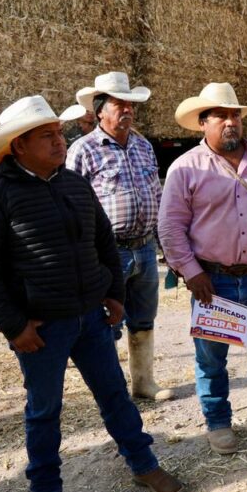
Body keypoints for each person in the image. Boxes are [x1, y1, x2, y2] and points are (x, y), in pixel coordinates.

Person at [0, 96, 184, 492]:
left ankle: (143, 464)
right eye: (47, 136)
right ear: (18, 146)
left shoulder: (72, 184)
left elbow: (102, 240)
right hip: (41, 329)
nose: (59, 141)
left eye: (59, 133)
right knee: (44, 411)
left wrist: (114, 294)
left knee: (115, 395)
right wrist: (14, 325)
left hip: (91, 318)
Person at [159, 82, 247, 455]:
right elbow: (170, 227)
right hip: (212, 282)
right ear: (202, 123)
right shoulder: (185, 168)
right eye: (220, 115)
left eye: (235, 114)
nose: (229, 122)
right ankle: (218, 422)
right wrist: (191, 272)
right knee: (211, 358)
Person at [67, 72, 173, 402]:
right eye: (118, 104)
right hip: (108, 253)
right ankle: (113, 393)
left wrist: (164, 245)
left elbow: (156, 195)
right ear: (99, 111)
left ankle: (144, 384)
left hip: (143, 248)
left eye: (130, 104)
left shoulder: (143, 146)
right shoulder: (83, 150)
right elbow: (71, 206)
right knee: (106, 323)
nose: (127, 110)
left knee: (143, 318)